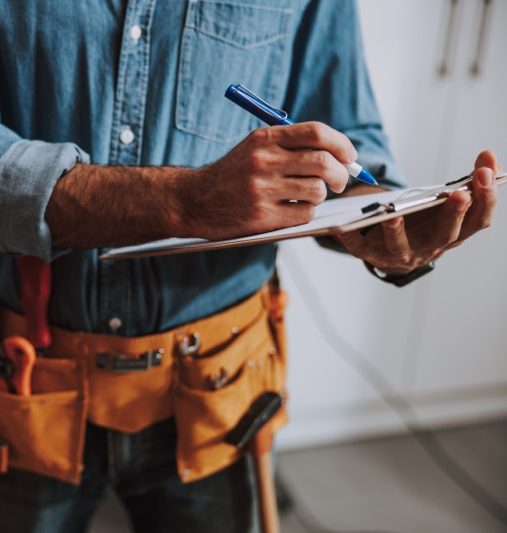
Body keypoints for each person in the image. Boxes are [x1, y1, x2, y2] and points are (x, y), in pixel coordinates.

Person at [0, 1, 499, 532]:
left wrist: (386, 222)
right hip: (23, 381)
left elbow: (351, 144)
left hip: (220, 391)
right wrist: (186, 201)